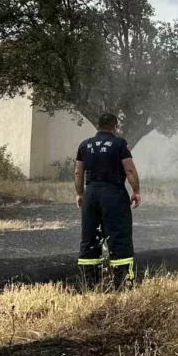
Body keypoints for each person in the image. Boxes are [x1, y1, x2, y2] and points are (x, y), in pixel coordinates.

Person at [74, 113, 141, 290]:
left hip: (91, 193)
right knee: (119, 235)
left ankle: (89, 284)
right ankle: (122, 283)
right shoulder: (120, 144)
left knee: (90, 237)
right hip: (114, 193)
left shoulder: (84, 145)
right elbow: (130, 170)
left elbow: (78, 173)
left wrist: (80, 194)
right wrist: (136, 191)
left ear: (98, 125)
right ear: (115, 127)